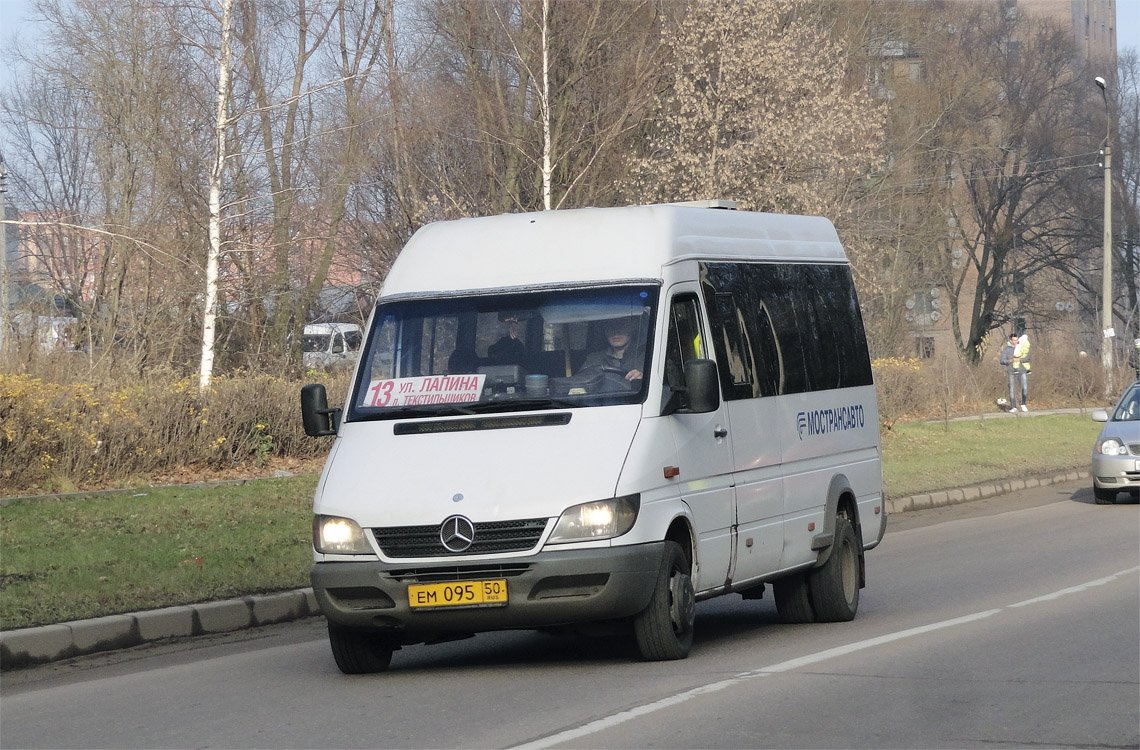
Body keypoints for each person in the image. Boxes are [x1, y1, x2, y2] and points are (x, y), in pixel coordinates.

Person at [579, 317, 645, 386]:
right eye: (610, 326)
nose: (615, 331)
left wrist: (642, 379)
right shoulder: (594, 359)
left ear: (633, 327)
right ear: (604, 330)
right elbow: (579, 385)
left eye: (621, 325)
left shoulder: (647, 356)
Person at [999, 331, 1029, 412]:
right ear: (1010, 340)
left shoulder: (1022, 347)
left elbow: (1028, 358)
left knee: (1025, 387)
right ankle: (1013, 407)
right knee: (1012, 389)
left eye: (1017, 340)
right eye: (1014, 340)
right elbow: (1002, 360)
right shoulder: (1007, 349)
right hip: (1011, 371)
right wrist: (1010, 360)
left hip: (1022, 370)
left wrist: (1020, 359)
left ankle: (1023, 404)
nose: (1016, 341)